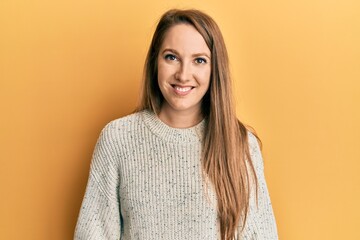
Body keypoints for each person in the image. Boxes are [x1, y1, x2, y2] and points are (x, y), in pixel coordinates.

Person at [74, 9, 278, 240]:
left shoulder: (239, 144)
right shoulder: (118, 139)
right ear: (155, 62)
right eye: (171, 57)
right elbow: (93, 234)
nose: (183, 74)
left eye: (199, 60)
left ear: (214, 70)